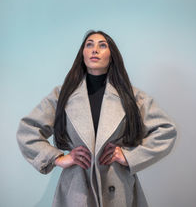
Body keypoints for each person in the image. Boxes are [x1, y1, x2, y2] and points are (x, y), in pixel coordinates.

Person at [16, 30, 177, 207]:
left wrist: (129, 157)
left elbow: (166, 131)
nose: (95, 50)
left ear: (112, 55)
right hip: (76, 188)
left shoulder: (132, 97)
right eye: (89, 44)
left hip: (119, 188)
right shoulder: (62, 95)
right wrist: (57, 158)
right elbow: (27, 131)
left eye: (102, 45)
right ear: (82, 54)